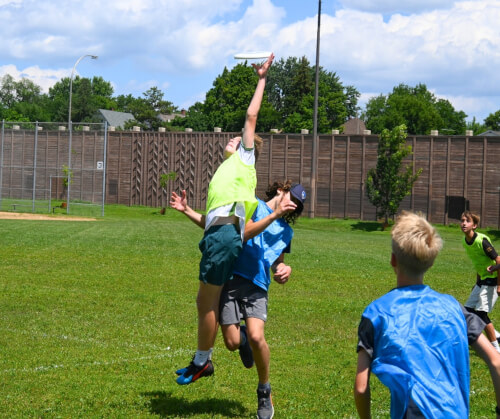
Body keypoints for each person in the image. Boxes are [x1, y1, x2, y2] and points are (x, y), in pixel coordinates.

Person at [174, 53, 275, 385]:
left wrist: (261, 79)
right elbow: (216, 220)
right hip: (219, 235)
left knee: (206, 303)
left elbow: (251, 115)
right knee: (206, 300)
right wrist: (188, 211)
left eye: (238, 138)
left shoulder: (244, 158)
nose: (232, 139)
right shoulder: (227, 171)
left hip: (223, 237)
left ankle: (202, 362)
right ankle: (216, 352)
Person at [171, 180, 305, 419]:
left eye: (297, 204)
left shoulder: (287, 231)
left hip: (257, 285)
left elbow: (277, 260)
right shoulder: (251, 205)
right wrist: (187, 210)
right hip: (230, 281)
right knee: (232, 343)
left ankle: (264, 390)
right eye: (291, 197)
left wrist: (284, 269)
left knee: (257, 336)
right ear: (280, 190)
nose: (292, 204)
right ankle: (242, 339)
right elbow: (226, 231)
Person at [354, 211, 500, 418]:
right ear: (431, 263)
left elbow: (361, 388)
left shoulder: (376, 312)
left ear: (393, 260)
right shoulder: (455, 308)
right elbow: (496, 362)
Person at [461, 210, 500, 353]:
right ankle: (496, 335)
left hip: (492, 280)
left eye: (467, 221)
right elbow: (478, 263)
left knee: (481, 314)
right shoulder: (465, 241)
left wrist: (499, 285)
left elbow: (498, 260)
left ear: (474, 226)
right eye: (462, 220)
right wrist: (477, 283)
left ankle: (496, 348)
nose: (464, 223)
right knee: (468, 311)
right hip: (482, 280)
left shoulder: (482, 241)